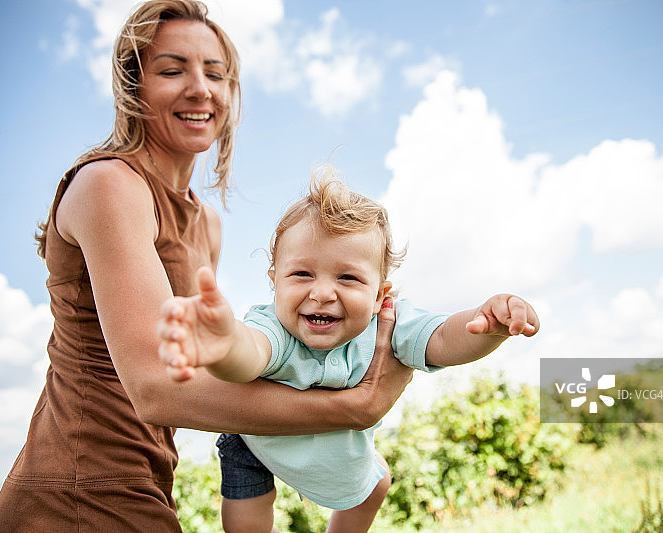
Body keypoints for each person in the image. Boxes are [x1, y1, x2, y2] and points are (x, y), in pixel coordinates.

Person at [0, 2, 413, 531]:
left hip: (146, 484)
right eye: (173, 70)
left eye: (215, 74)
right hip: (75, 491)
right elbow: (156, 389)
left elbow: (216, 370)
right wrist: (353, 408)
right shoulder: (109, 185)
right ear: (132, 84)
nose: (200, 89)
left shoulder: (206, 222)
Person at [157, 168, 540, 533]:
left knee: (376, 484)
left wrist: (487, 325)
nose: (322, 293)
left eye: (347, 277)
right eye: (302, 274)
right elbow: (251, 354)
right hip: (257, 441)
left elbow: (441, 339)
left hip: (335, 446)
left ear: (379, 296)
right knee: (244, 526)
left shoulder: (388, 325)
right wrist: (225, 345)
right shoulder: (272, 326)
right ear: (274, 282)